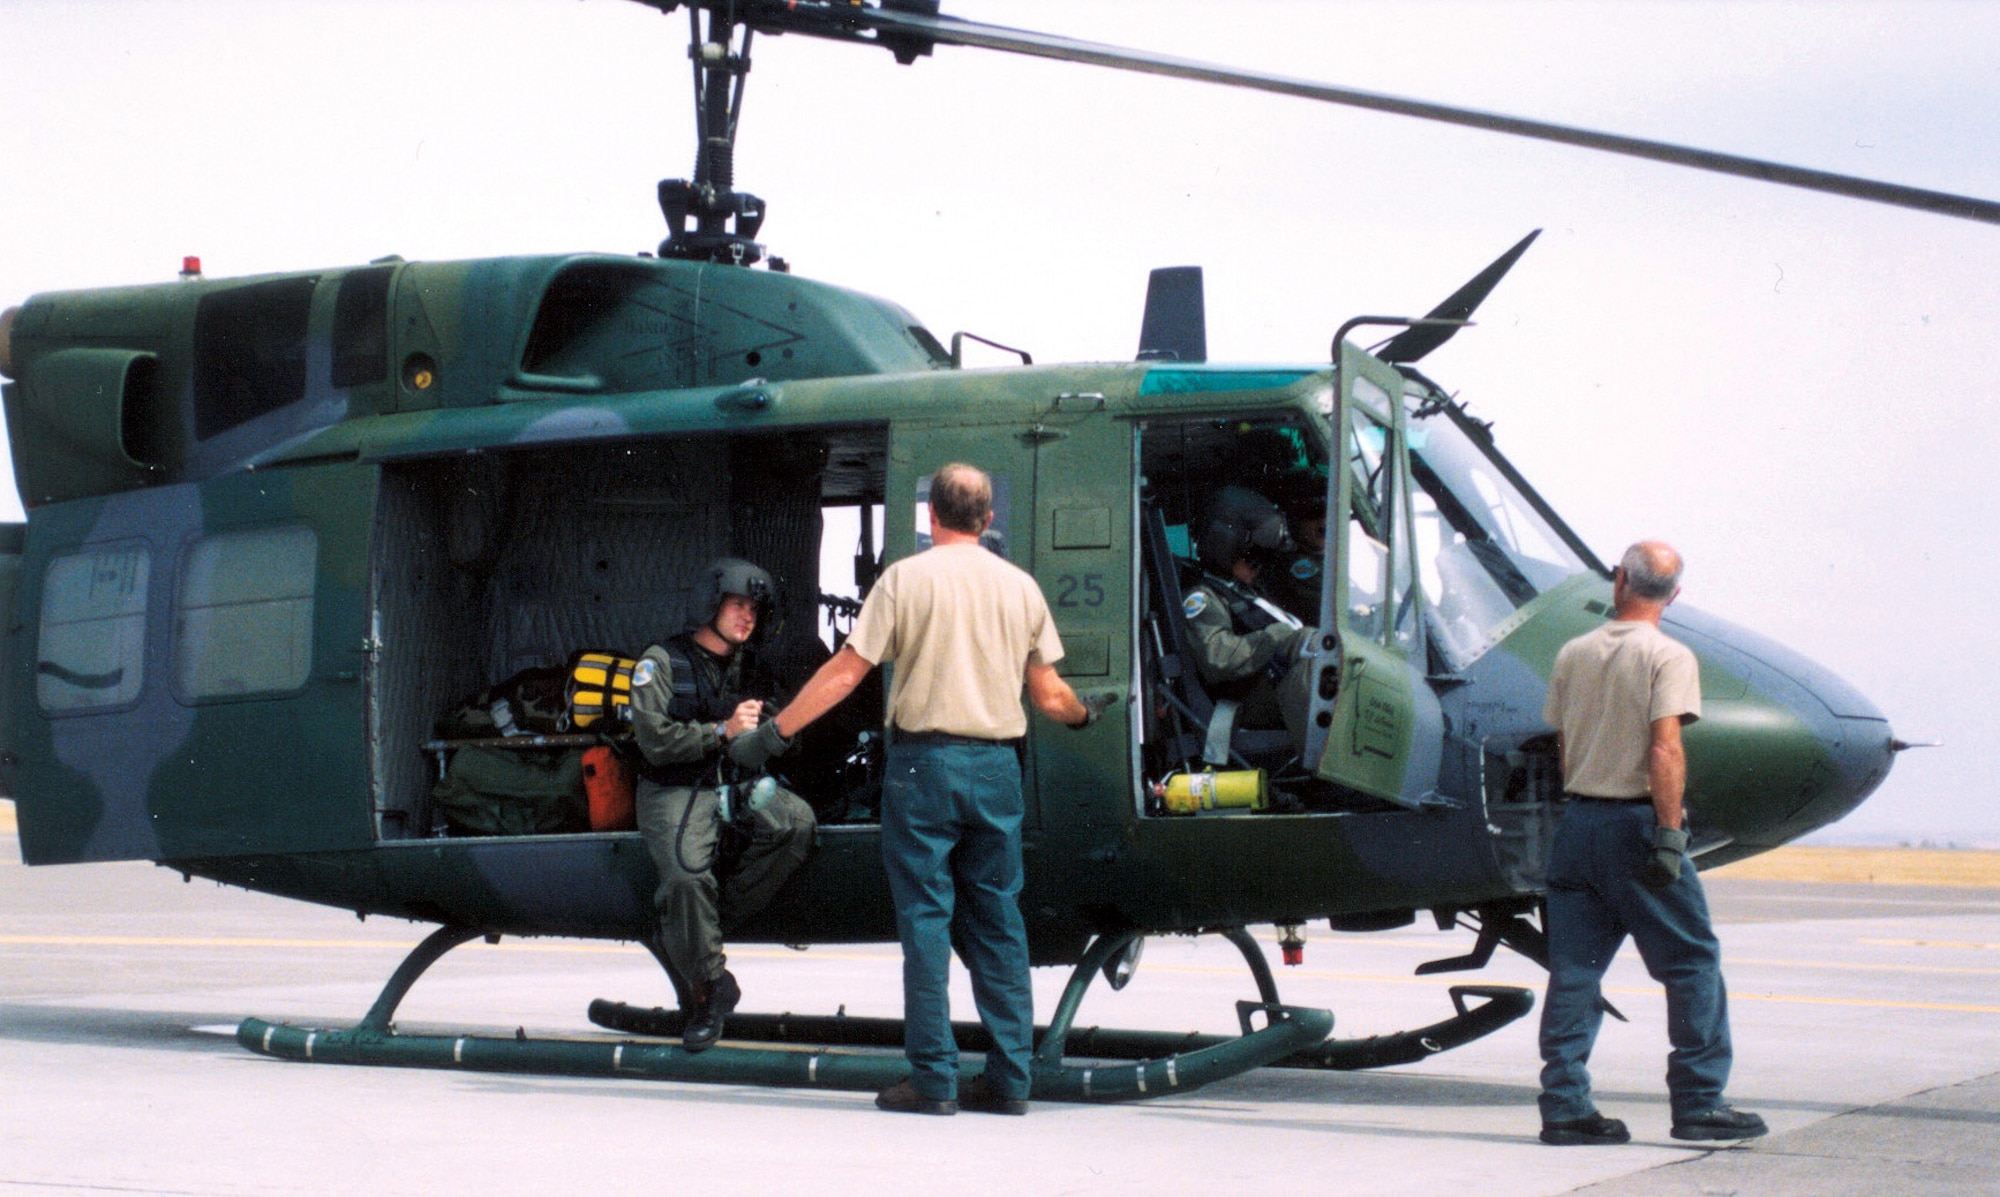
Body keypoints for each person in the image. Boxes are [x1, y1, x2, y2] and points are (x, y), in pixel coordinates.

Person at [731, 463, 1110, 1116]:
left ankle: (933, 1080)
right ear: (988, 519)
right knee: (998, 921)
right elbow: (1050, 695)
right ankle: (1011, 1078)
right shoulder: (1021, 589)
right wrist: (1085, 714)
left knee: (927, 924)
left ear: (930, 516)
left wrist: (773, 734)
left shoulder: (904, 580)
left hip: (923, 768)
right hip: (995, 770)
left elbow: (847, 674)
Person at [1536, 541, 1767, 1146]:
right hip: (1637, 827)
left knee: (1574, 973)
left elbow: (1563, 746)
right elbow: (1665, 748)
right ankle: (1698, 1103)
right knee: (1692, 963)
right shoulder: (1669, 656)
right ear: (1675, 595)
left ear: (1619, 583)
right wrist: (1669, 835)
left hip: (1579, 824)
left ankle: (1564, 1108)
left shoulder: (1573, 652)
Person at [626, 557, 816, 1054]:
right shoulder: (661, 662)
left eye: (753, 609)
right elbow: (654, 742)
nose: (746, 617)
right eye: (737, 605)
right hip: (675, 786)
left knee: (796, 825)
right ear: (710, 606)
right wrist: (722, 730)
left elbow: (771, 740)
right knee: (688, 876)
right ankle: (711, 987)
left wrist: (772, 730)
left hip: (735, 781)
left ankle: (689, 931)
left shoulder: (752, 668)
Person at [1183, 486, 1315, 735]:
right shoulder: (1203, 597)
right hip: (1242, 707)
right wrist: (1283, 637)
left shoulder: (1247, 591)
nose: (1259, 567)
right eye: (1254, 558)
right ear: (1225, 548)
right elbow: (1217, 657)